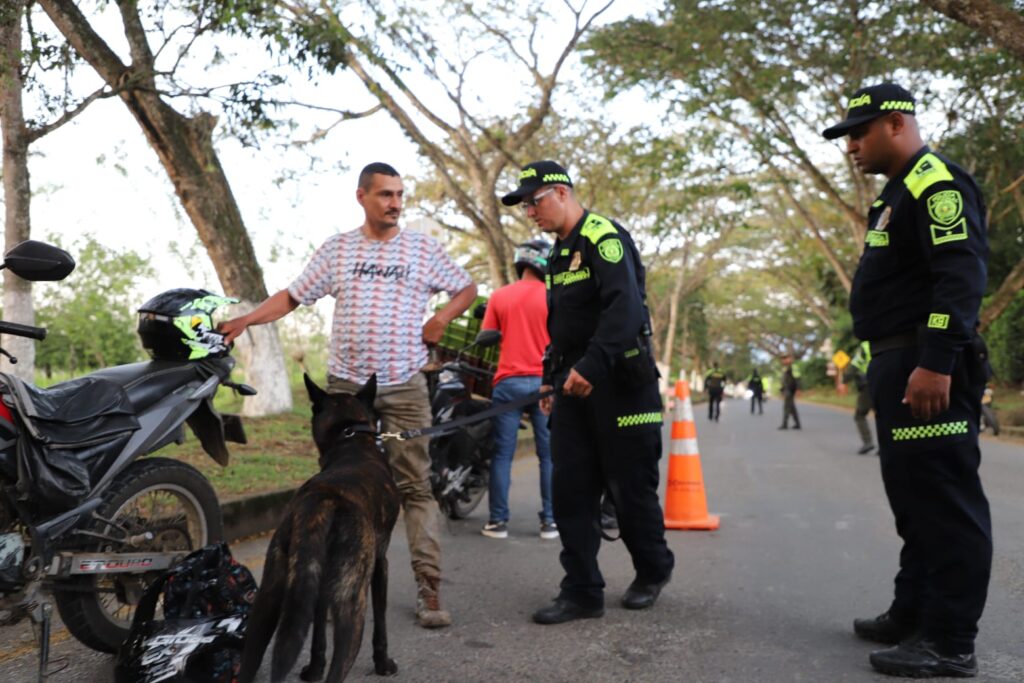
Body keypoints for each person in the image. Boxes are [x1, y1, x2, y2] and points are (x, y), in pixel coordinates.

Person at [219, 162, 477, 629]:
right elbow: (292, 296)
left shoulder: (422, 248)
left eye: (400, 195)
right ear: (361, 196)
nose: (395, 203)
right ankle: (339, 576)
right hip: (346, 392)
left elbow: (466, 287)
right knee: (337, 485)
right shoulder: (338, 250)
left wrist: (441, 319)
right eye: (385, 195)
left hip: (401, 385)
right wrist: (246, 320)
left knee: (415, 487)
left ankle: (428, 584)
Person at [823, 83, 992, 677]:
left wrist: (938, 358)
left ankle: (949, 642)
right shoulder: (898, 191)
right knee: (914, 502)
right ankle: (914, 612)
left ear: (895, 123)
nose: (851, 147)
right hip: (899, 359)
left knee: (944, 503)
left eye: (859, 133)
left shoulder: (934, 182)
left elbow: (959, 273)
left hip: (926, 361)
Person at [500, 160, 674, 625]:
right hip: (572, 389)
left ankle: (653, 572)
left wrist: (592, 365)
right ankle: (581, 591)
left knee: (630, 490)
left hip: (621, 387)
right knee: (570, 491)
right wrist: (547, 377)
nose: (530, 213)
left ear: (559, 192)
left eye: (533, 202)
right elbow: (562, 328)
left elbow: (626, 310)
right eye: (525, 207)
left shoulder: (604, 237)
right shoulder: (558, 256)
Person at [479, 239, 558, 540]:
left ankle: (498, 522)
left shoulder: (500, 296)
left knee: (502, 455)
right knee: (548, 455)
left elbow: (486, 335)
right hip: (544, 384)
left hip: (508, 384)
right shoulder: (554, 297)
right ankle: (550, 521)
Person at [848, 341, 876, 454]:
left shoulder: (865, 345)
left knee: (859, 415)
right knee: (883, 414)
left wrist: (845, 379)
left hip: (868, 385)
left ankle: (868, 442)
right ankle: (887, 444)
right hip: (884, 381)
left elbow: (855, 365)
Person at [778, 357, 801, 430]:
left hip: (790, 390)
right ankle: (797, 424)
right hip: (786, 389)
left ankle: (784, 424)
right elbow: (784, 380)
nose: (784, 360)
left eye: (786, 359)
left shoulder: (793, 367)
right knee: (792, 408)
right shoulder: (785, 368)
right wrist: (782, 389)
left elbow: (797, 378)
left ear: (790, 359)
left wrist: (798, 389)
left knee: (786, 407)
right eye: (783, 359)